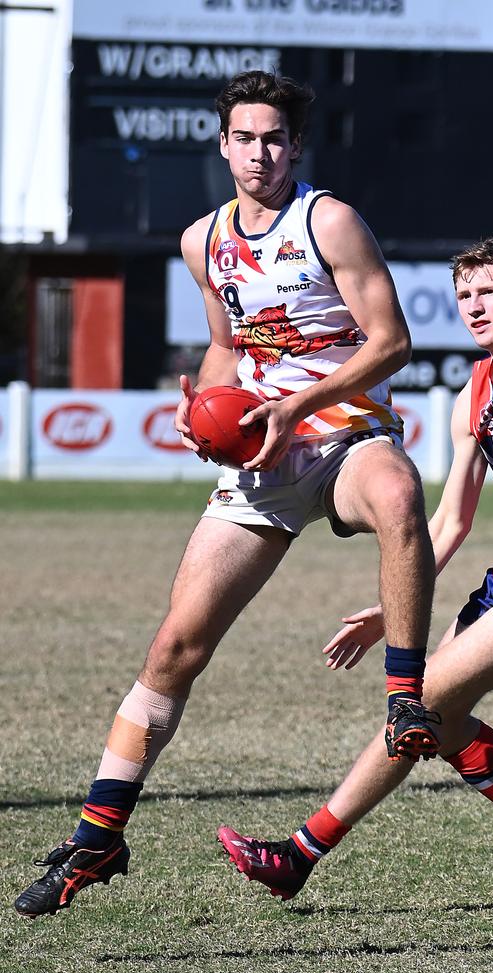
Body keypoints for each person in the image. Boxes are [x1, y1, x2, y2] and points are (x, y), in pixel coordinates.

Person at [14, 71, 437, 919]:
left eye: (275, 138)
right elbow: (222, 350)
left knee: (397, 497)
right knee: (175, 649)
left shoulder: (329, 222)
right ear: (222, 144)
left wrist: (297, 406)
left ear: (295, 145)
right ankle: (98, 836)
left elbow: (392, 344)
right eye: (245, 138)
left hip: (342, 433)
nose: (260, 154)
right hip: (262, 459)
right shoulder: (201, 240)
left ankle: (403, 701)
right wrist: (203, 413)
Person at [218, 236, 493, 905]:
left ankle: (298, 857)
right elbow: (448, 524)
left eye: (489, 293)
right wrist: (391, 608)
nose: (475, 307)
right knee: (438, 725)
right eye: (465, 296)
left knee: (419, 702)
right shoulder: (472, 396)